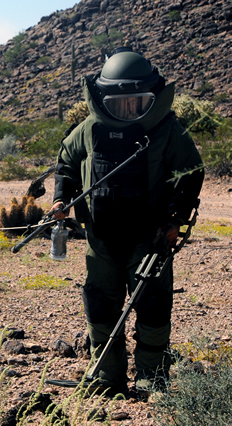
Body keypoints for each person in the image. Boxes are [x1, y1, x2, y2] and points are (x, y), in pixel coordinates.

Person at [50, 47, 203, 395]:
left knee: (152, 305)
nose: (128, 110)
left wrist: (176, 219)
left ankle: (152, 376)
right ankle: (107, 376)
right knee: (101, 305)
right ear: (103, 99)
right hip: (100, 240)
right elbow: (66, 164)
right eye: (119, 103)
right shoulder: (88, 130)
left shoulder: (167, 131)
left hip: (149, 240)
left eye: (137, 102)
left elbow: (192, 172)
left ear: (154, 98)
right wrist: (61, 198)